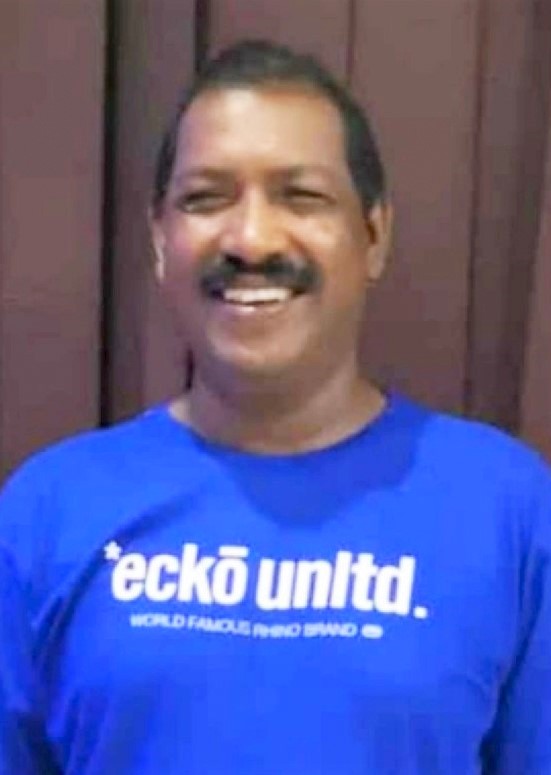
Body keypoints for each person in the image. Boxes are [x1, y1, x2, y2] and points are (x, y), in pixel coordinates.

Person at [0, 39, 550, 775]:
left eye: (301, 196)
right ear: (160, 241)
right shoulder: (48, 509)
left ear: (373, 235)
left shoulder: (507, 507)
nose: (252, 238)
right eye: (205, 198)